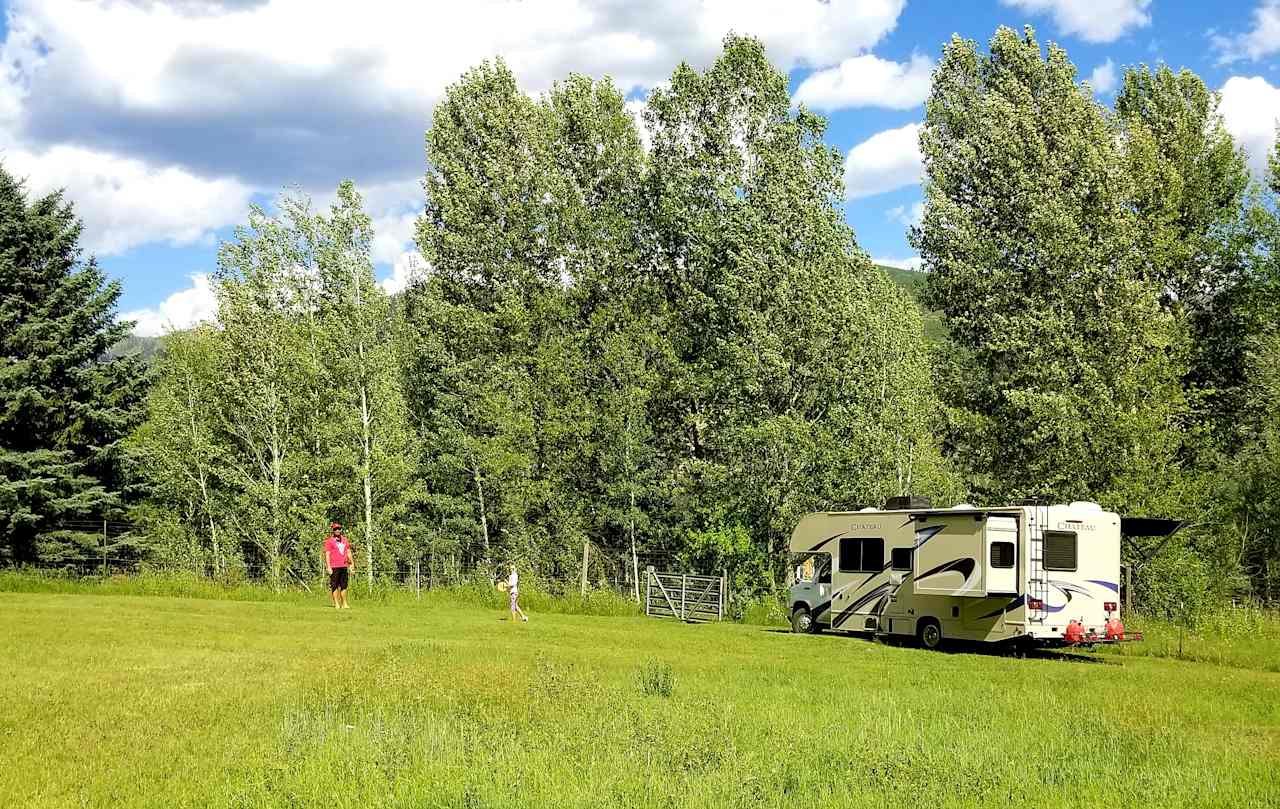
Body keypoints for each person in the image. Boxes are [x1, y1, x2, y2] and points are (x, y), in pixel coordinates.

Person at [324, 523, 354, 609]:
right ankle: (336, 603)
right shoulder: (329, 541)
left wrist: (352, 564)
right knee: (335, 585)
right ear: (333, 530)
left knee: (344, 586)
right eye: (335, 529)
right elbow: (327, 554)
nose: (337, 530)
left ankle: (344, 603)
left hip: (344, 565)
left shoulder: (345, 540)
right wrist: (328, 566)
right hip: (334, 566)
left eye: (339, 529)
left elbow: (348, 552)